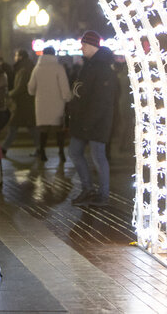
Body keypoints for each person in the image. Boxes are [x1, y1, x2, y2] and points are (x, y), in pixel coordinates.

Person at [67, 31, 117, 207]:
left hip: (96, 121)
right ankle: (88, 189)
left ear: (93, 46)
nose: (81, 47)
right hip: (82, 119)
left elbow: (101, 100)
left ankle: (102, 194)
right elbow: (81, 91)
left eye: (84, 44)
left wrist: (89, 121)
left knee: (98, 156)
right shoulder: (89, 66)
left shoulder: (102, 68)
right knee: (74, 151)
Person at [27, 46, 72, 162]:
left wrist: (34, 93)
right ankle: (61, 152)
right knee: (59, 129)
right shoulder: (58, 68)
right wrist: (67, 98)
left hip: (41, 103)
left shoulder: (37, 68)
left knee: (43, 130)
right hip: (57, 103)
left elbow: (31, 88)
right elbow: (64, 86)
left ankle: (42, 152)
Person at [2, 49, 37, 156]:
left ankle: (3, 149)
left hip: (23, 104)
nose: (15, 57)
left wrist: (9, 94)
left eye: (16, 55)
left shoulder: (24, 69)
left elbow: (21, 87)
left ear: (21, 57)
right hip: (26, 103)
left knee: (14, 127)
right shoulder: (26, 67)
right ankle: (40, 148)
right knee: (31, 128)